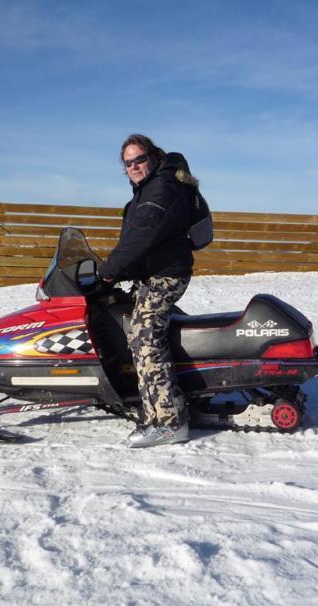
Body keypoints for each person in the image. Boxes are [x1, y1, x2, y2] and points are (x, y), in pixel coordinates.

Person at [99, 134, 199, 448]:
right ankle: (158, 402)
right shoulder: (151, 188)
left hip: (165, 276)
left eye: (139, 159)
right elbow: (144, 240)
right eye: (128, 163)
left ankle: (170, 422)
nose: (134, 166)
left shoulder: (161, 188)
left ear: (152, 157)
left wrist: (109, 272)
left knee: (145, 334)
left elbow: (142, 235)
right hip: (155, 273)